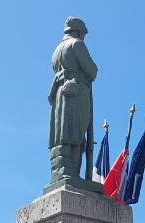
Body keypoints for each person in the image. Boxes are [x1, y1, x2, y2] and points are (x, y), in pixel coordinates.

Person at [48, 17, 98, 182]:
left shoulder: (55, 52)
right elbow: (92, 71)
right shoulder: (77, 44)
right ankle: (70, 173)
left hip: (59, 95)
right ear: (77, 31)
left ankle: (62, 171)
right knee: (75, 133)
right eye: (82, 33)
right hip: (76, 93)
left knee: (63, 133)